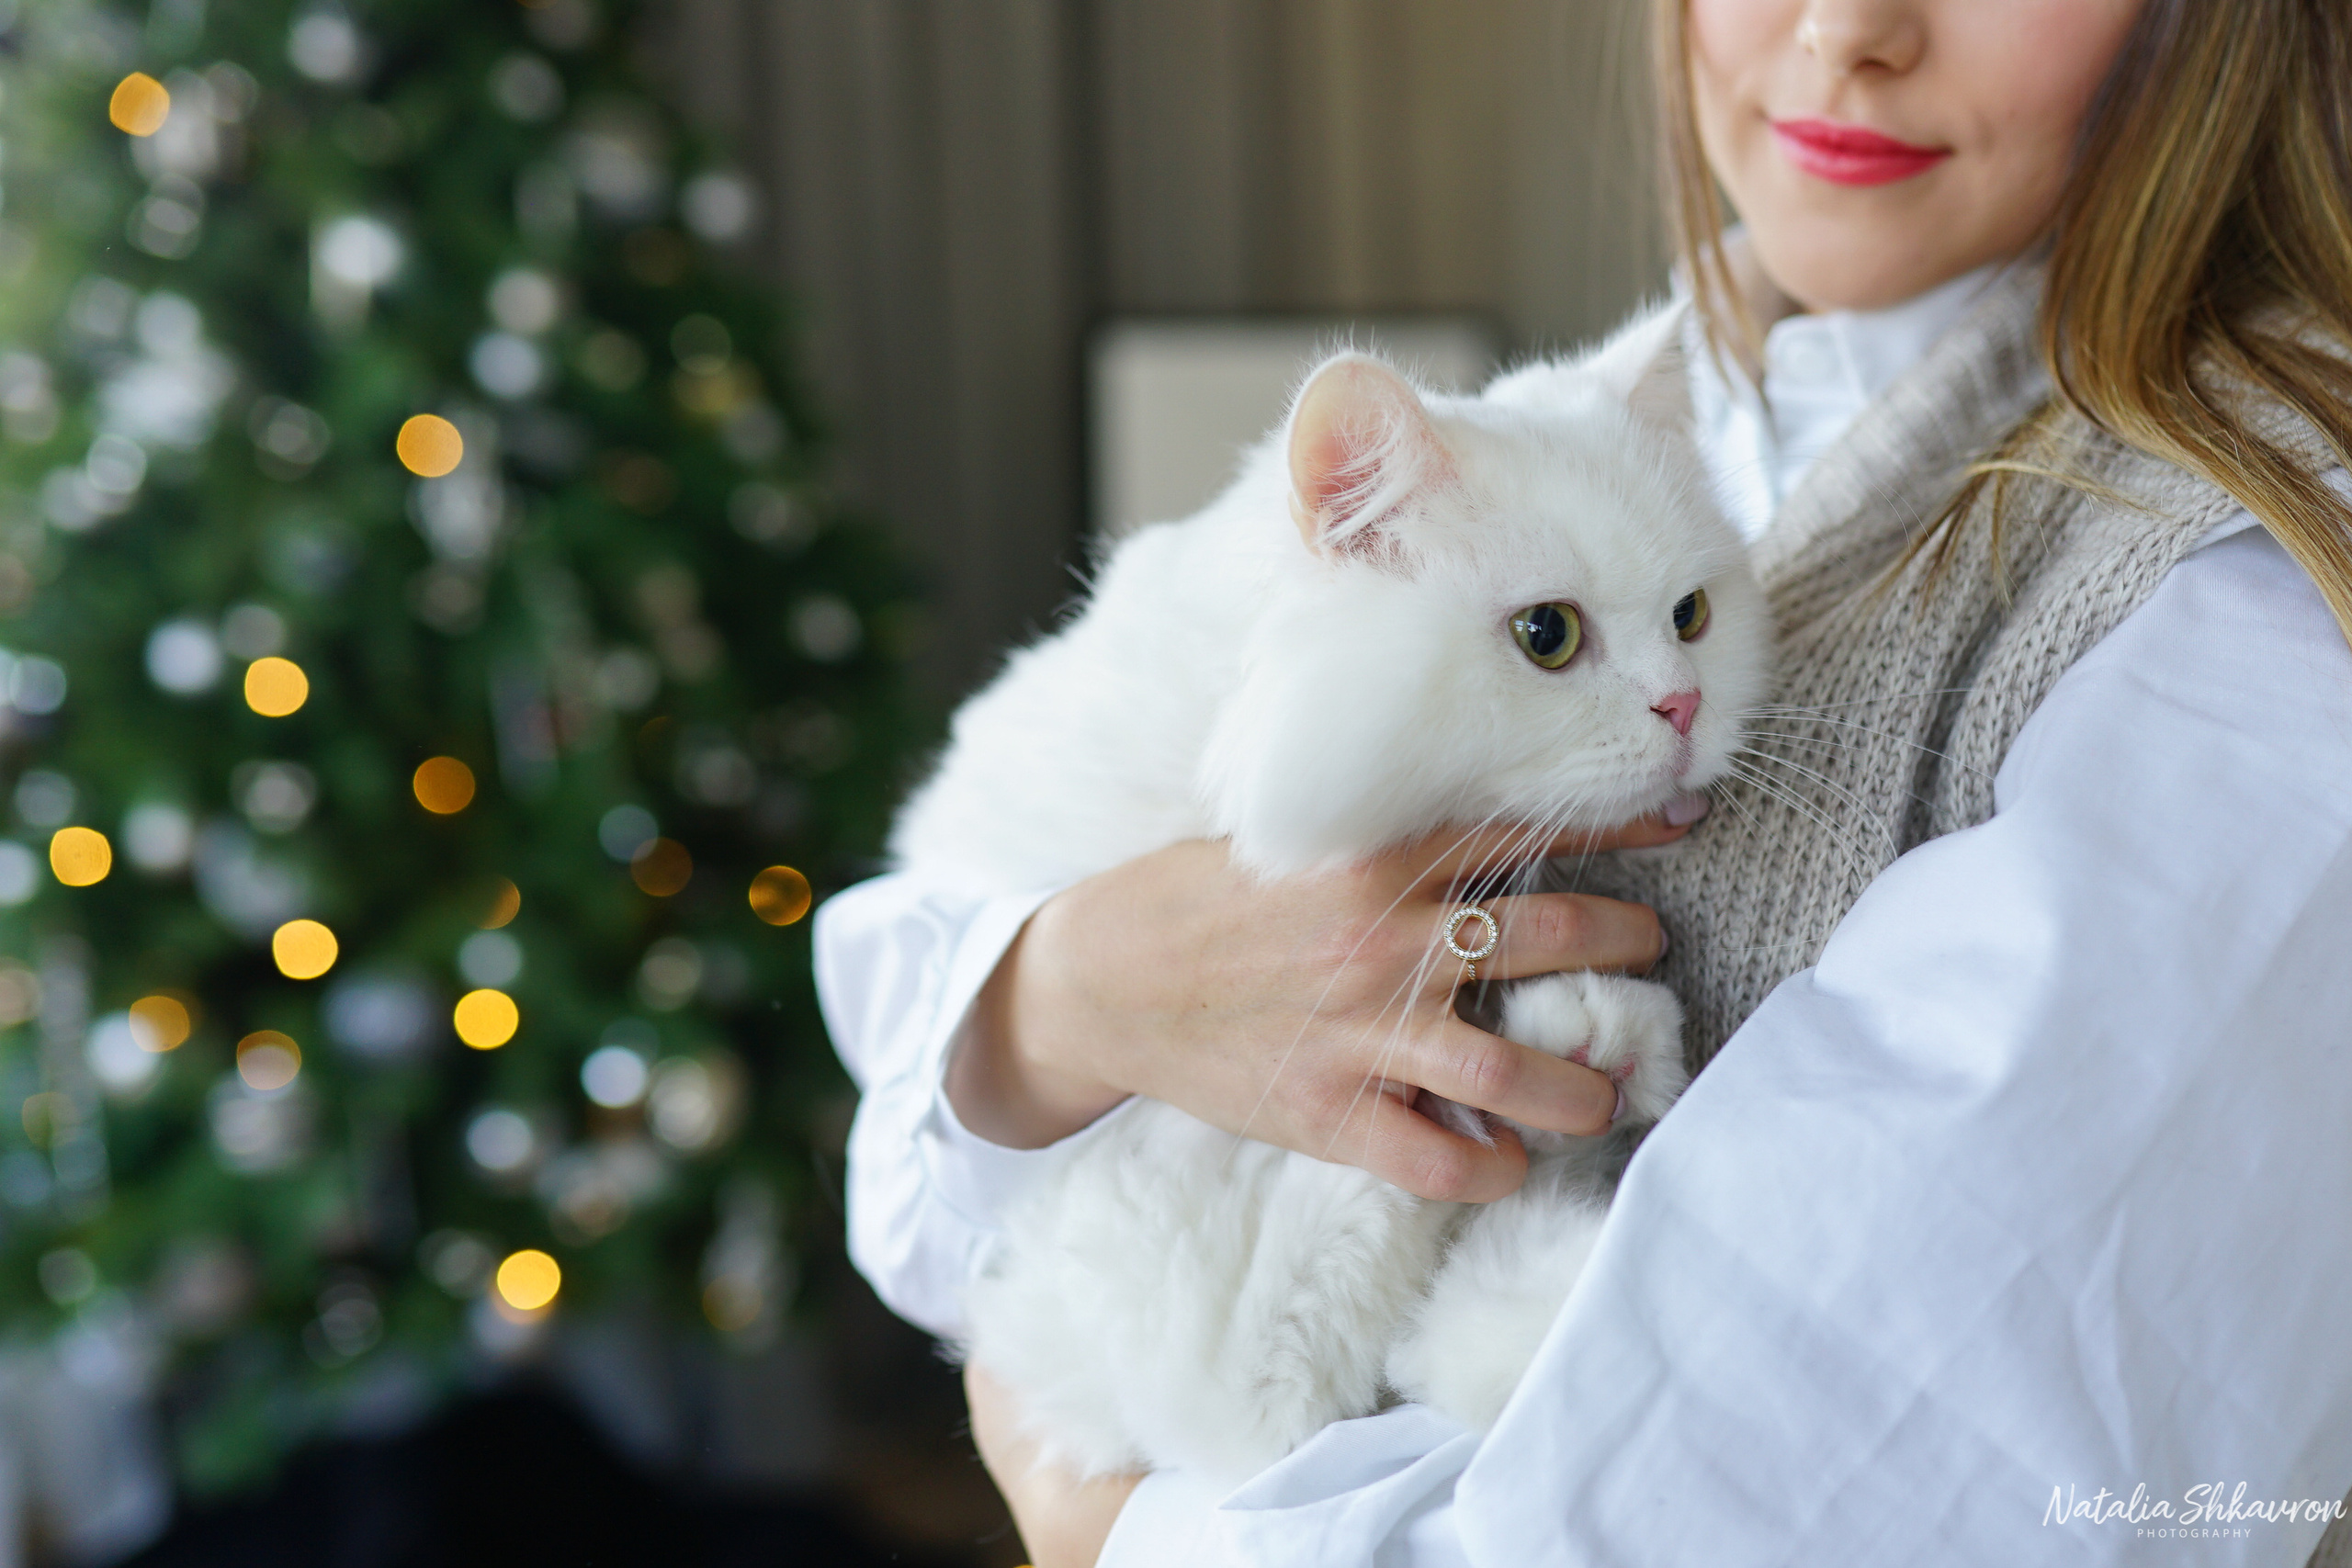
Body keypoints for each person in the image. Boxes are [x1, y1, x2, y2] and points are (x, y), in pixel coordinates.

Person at [815, 0, 2352, 1562]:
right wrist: (1061, 998)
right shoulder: (1648, 402)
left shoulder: (2257, 605)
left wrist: (1108, 1530)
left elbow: (1835, 1488)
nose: (1844, 32)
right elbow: (912, 1172)